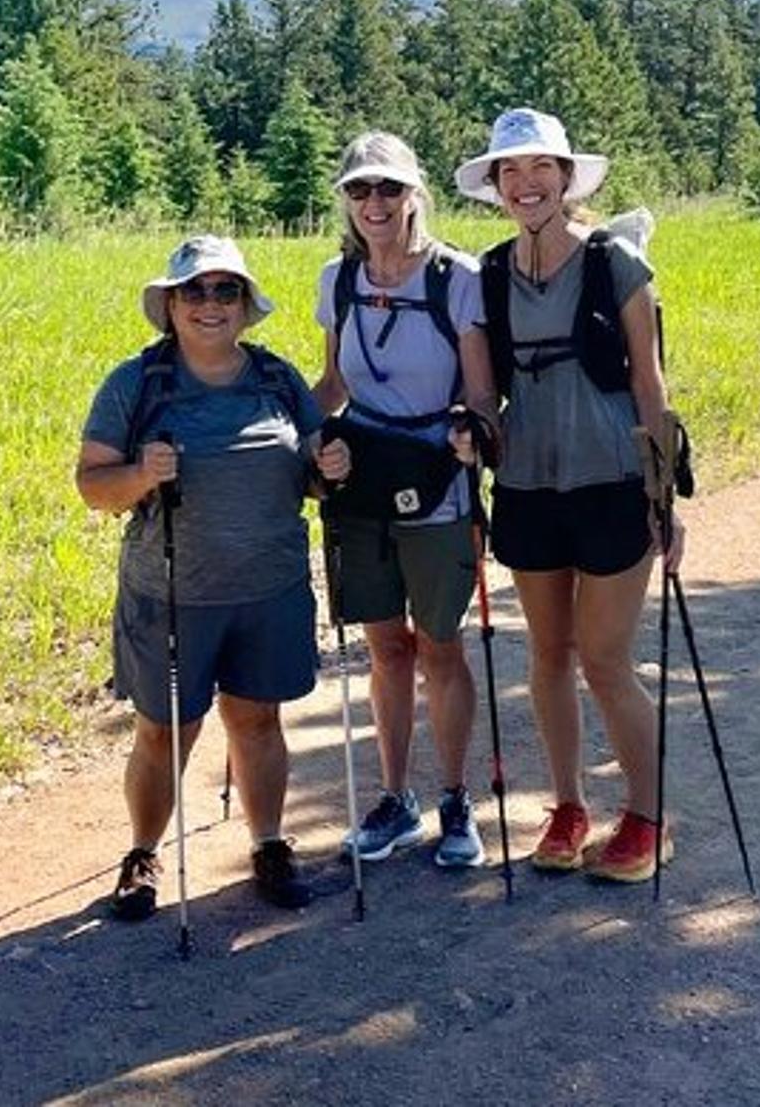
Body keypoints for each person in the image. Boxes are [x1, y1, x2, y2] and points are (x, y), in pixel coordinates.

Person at [75, 235, 350, 920]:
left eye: (225, 290)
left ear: (245, 306)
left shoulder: (277, 379)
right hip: (170, 594)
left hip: (268, 588)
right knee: (164, 729)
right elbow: (91, 484)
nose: (209, 304)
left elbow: (313, 470)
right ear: (169, 304)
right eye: (193, 291)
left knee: (259, 719)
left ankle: (269, 842)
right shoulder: (134, 384)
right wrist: (138, 474)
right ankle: (142, 852)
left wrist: (331, 469)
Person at [454, 107, 687, 883]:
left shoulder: (616, 261)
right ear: (495, 186)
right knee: (546, 655)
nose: (525, 184)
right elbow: (485, 394)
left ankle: (649, 818)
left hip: (613, 481)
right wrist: (473, 431)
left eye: (538, 169)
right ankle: (568, 806)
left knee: (605, 658)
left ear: (564, 178)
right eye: (509, 172)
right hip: (527, 485)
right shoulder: (487, 275)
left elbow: (650, 385)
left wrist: (666, 499)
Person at [311, 132, 498, 869]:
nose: (375, 203)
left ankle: (454, 797)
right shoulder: (337, 278)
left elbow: (480, 390)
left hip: (436, 476)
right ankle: (396, 799)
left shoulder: (458, 276)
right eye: (360, 190)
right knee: (386, 648)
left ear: (416, 193)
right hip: (362, 478)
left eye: (389, 188)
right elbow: (333, 386)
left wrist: (474, 433)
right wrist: (295, 435)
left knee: (440, 645)